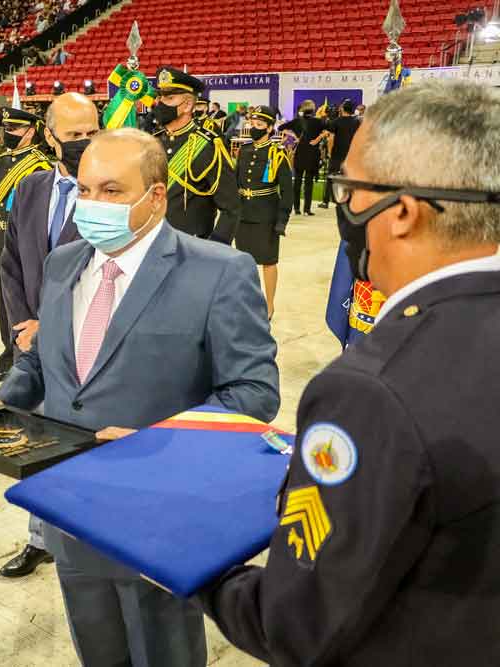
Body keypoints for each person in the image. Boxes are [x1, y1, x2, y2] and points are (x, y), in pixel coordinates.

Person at [202, 79, 500, 667]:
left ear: (403, 212)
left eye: (350, 190)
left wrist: (192, 559)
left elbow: (296, 621)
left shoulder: (370, 388)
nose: (344, 207)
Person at [0, 128, 279, 667]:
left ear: (156, 196)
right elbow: (44, 359)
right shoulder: (64, 262)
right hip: (68, 504)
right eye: (86, 191)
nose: (93, 205)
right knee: (98, 649)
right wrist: (3, 403)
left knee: (162, 650)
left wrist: (164, 441)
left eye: (112, 191)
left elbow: (254, 394)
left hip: (158, 512)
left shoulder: (218, 271)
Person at [0, 92, 98, 578]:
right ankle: (41, 537)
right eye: (73, 134)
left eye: (90, 133)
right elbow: (11, 261)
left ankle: (85, 538)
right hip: (32, 348)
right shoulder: (32, 187)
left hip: (88, 345)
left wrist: (48, 325)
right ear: (49, 134)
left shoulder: (111, 191)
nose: (83, 142)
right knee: (38, 443)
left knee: (82, 447)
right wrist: (22, 326)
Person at [0, 106, 52, 382]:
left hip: (26, 248)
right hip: (3, 244)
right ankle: (9, 359)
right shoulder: (4, 161)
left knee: (26, 307)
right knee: (5, 308)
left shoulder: (40, 165)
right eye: (6, 129)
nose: (7, 134)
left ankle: (26, 362)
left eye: (14, 129)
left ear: (31, 131)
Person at [150, 66, 241, 243]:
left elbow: (231, 207)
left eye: (169, 98)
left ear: (187, 105)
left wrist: (215, 249)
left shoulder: (208, 145)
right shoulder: (154, 142)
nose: (160, 103)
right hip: (153, 241)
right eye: (160, 97)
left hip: (191, 245)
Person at [235, 106, 293, 320]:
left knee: (268, 262)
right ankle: (247, 301)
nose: (254, 128)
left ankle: (269, 305)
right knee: (244, 262)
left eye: (260, 125)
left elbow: (287, 191)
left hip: (266, 215)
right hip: (244, 213)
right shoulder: (245, 150)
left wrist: (282, 221)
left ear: (269, 128)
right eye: (253, 124)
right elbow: (236, 181)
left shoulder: (277, 154)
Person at [279, 99, 325, 216]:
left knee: (298, 181)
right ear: (313, 109)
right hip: (312, 153)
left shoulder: (296, 121)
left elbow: (280, 127)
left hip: (300, 152)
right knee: (309, 182)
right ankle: (307, 209)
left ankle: (297, 208)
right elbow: (329, 130)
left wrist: (295, 136)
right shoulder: (318, 122)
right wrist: (317, 139)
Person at [317, 98, 361, 209]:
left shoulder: (336, 121)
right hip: (351, 154)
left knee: (331, 177)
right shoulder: (357, 122)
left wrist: (330, 152)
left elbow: (331, 138)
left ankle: (325, 201)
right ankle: (351, 202)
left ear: (342, 109)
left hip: (337, 154)